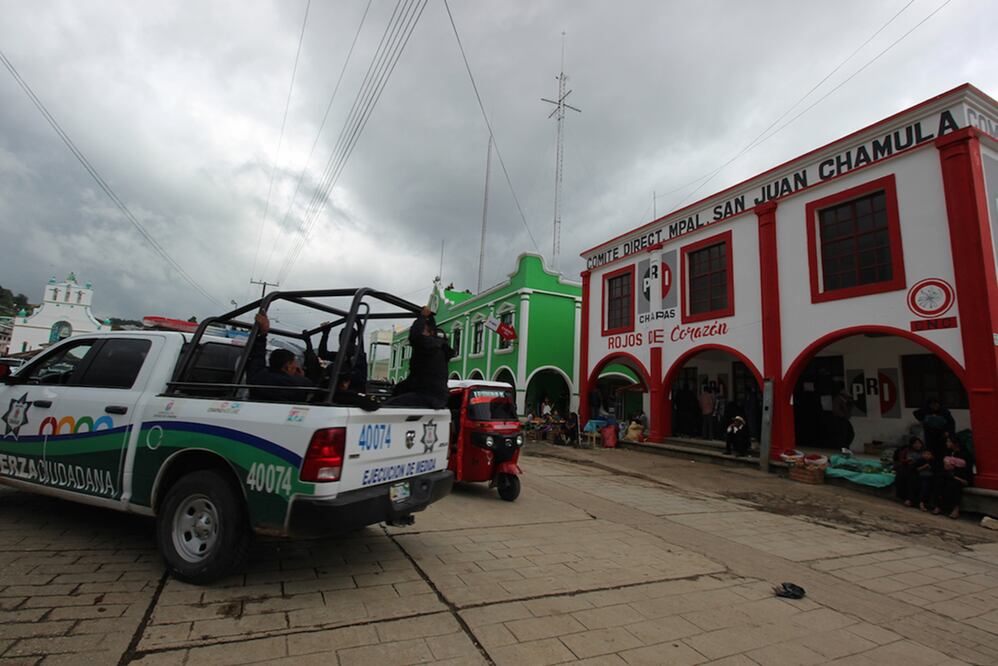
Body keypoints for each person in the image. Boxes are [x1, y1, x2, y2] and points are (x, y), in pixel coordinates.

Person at [387, 306, 455, 409]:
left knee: (386, 406)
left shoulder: (429, 346)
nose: (421, 333)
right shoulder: (436, 349)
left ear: (430, 333)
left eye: (423, 330)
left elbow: (415, 337)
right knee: (399, 391)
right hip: (435, 396)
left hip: (427, 395)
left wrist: (422, 317)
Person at [246, 312, 316, 402]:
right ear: (288, 365)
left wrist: (262, 334)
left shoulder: (258, 376)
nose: (296, 367)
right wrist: (300, 377)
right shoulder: (300, 384)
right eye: (294, 364)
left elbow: (257, 356)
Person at [933, 433, 974, 519]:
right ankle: (939, 505)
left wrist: (955, 471)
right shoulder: (948, 452)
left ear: (955, 443)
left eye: (948, 441)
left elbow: (967, 470)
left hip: (961, 477)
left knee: (954, 484)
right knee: (939, 481)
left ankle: (956, 508)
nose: (947, 443)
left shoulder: (965, 454)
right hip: (948, 475)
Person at [894, 437, 924, 505]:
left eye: (919, 443)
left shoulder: (923, 451)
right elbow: (901, 460)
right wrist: (907, 461)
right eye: (915, 443)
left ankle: (910, 499)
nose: (918, 445)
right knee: (904, 476)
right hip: (907, 468)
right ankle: (907, 498)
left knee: (913, 479)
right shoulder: (907, 450)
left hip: (919, 469)